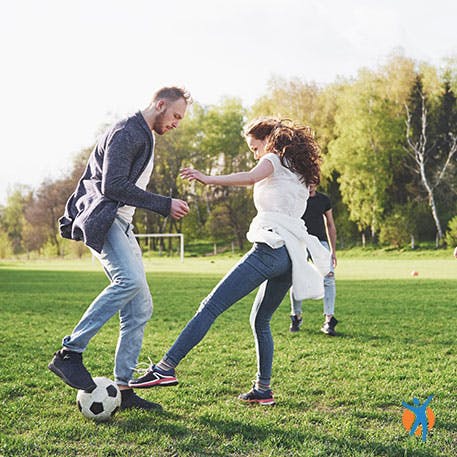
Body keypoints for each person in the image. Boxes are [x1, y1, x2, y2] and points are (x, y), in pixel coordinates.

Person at [128, 117, 330, 405]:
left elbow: (250, 177)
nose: (254, 154)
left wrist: (208, 178)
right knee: (261, 320)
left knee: (210, 306)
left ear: (268, 141)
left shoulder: (272, 159)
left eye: (254, 147)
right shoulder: (298, 171)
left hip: (270, 249)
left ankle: (165, 368)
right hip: (291, 256)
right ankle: (263, 390)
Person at [48, 86, 191, 411]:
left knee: (140, 308)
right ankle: (69, 353)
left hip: (122, 224)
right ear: (160, 104)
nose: (176, 123)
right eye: (176, 116)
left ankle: (124, 389)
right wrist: (163, 204)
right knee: (126, 281)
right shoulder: (128, 131)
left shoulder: (145, 134)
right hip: (106, 220)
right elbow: (112, 186)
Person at [289, 183, 338, 335]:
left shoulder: (324, 200)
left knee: (329, 277)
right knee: (295, 279)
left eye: (313, 182)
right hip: (299, 242)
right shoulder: (295, 198)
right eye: (306, 182)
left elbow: (330, 225)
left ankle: (329, 320)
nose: (310, 186)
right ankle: (296, 316)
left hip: (320, 243)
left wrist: (333, 251)